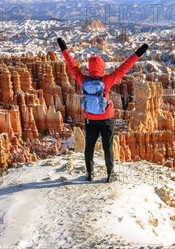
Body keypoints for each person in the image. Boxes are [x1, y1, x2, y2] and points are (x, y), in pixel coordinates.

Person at [57, 37, 148, 183]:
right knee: (108, 147)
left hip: (90, 119)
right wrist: (138, 53)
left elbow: (72, 66)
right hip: (106, 119)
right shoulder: (106, 80)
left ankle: (89, 173)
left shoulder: (83, 81)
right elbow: (124, 67)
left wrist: (64, 49)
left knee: (89, 148)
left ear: (90, 68)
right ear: (102, 68)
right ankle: (110, 174)